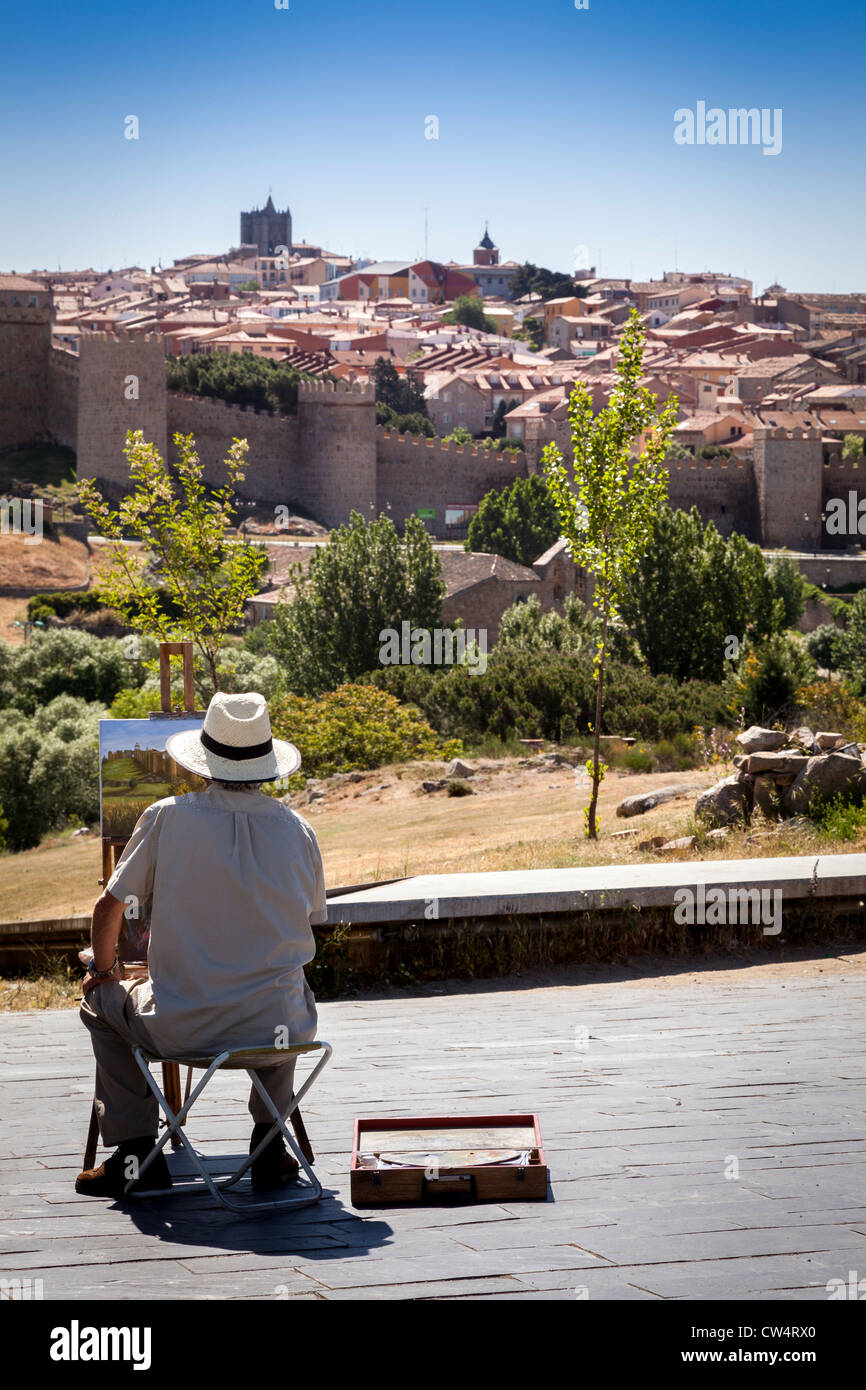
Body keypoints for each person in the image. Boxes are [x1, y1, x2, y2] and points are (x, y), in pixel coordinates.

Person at [76, 691, 326, 1197]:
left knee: (98, 1003)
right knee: (283, 991)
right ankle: (270, 1146)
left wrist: (104, 973)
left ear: (204, 762)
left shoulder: (168, 816)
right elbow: (308, 919)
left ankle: (135, 1154)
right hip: (281, 1030)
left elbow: (109, 907)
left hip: (185, 1027)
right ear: (265, 763)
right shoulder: (298, 829)